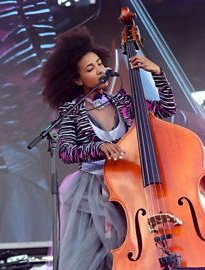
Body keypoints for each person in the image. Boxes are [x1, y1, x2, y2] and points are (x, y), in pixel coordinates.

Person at [40, 27, 176, 270]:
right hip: (93, 188)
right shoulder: (71, 110)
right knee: (99, 256)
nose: (100, 70)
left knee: (137, 249)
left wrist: (158, 73)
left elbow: (166, 110)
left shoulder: (122, 100)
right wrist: (99, 147)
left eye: (100, 64)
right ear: (78, 79)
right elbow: (66, 151)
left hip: (129, 184)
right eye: (90, 69)